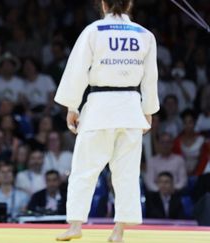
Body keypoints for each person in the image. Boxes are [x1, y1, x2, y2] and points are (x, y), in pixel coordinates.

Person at [53, 0, 159, 241]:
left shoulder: (94, 31)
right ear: (130, 4)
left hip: (100, 108)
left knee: (83, 171)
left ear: (103, 4)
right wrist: (148, 110)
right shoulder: (145, 35)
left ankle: (75, 225)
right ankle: (119, 231)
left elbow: (78, 70)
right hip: (131, 107)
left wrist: (73, 105)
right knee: (127, 174)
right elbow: (150, 78)